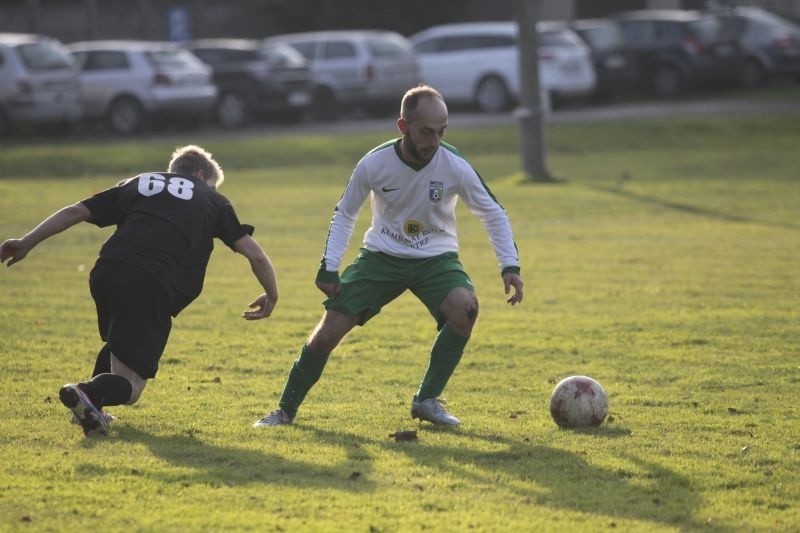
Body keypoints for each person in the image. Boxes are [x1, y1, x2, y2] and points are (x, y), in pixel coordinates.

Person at [253, 84, 522, 428]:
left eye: (442, 131)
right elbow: (345, 213)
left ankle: (426, 400)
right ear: (403, 127)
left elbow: (493, 212)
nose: (434, 140)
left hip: (435, 259)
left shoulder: (454, 165)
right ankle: (284, 411)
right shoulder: (374, 163)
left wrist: (509, 266)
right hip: (380, 256)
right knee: (327, 333)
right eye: (426, 132)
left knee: (465, 308)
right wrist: (330, 267)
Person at [1, 145, 279, 437]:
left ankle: (92, 407)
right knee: (132, 389)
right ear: (200, 175)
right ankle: (85, 392)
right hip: (150, 281)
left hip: (106, 271)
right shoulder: (213, 199)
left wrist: (26, 242)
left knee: (121, 338)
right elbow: (256, 256)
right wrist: (271, 295)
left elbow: (75, 211)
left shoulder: (138, 182)